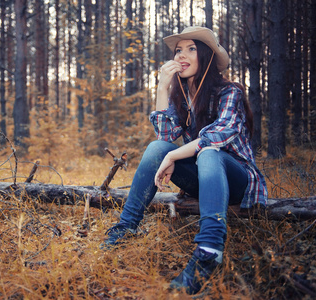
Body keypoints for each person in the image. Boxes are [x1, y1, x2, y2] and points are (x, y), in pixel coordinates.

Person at [100, 26, 268, 294]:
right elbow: (165, 134)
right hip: (204, 180)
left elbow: (216, 136)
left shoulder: (230, 91)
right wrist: (162, 86)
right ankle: (125, 228)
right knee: (157, 148)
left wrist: (174, 154)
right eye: (179, 50)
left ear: (207, 56)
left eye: (191, 49)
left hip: (237, 181)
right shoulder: (182, 94)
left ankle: (209, 250)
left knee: (208, 151)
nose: (181, 55)